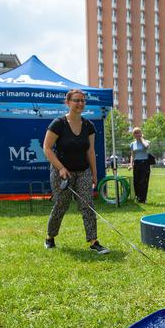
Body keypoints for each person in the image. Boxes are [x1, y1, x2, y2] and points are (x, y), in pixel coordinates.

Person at [42, 88, 109, 254]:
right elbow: (47, 148)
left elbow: (91, 152)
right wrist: (61, 168)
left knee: (88, 205)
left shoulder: (89, 126)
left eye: (82, 100)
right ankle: (50, 237)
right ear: (68, 103)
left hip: (83, 171)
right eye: (76, 100)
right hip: (62, 172)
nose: (80, 103)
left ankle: (94, 241)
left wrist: (94, 174)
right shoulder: (58, 124)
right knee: (60, 205)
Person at [128, 126, 152, 204]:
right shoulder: (132, 144)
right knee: (136, 181)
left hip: (144, 163)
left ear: (141, 133)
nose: (137, 134)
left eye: (138, 132)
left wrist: (141, 139)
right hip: (137, 163)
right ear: (133, 135)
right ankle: (138, 197)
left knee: (143, 181)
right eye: (135, 133)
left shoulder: (146, 141)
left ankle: (143, 199)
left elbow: (146, 146)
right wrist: (131, 164)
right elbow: (132, 155)